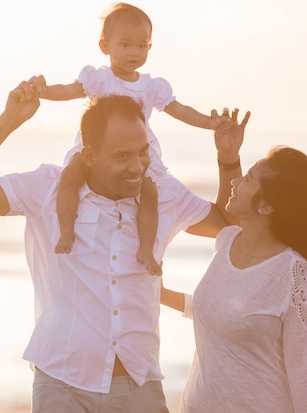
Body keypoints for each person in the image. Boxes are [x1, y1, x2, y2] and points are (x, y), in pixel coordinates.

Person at [0, 75, 249, 413]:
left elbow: (231, 224)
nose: (137, 166)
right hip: (62, 385)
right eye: (122, 156)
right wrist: (8, 121)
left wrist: (229, 159)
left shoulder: (165, 195)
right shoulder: (48, 190)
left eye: (143, 151)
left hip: (139, 387)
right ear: (88, 155)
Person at [161, 146, 307, 413]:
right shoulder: (226, 241)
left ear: (266, 205)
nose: (234, 183)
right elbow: (218, 313)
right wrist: (160, 293)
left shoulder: (295, 273)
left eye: (247, 178)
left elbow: (303, 373)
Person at [38, 2, 225, 275]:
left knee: (149, 192)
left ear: (150, 47)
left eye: (141, 45)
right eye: (125, 45)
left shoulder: (150, 86)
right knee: (71, 176)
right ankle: (67, 231)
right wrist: (42, 92)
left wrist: (209, 123)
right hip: (98, 146)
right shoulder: (99, 79)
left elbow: (178, 109)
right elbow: (68, 90)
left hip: (136, 150)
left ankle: (146, 248)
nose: (133, 52)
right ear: (105, 46)